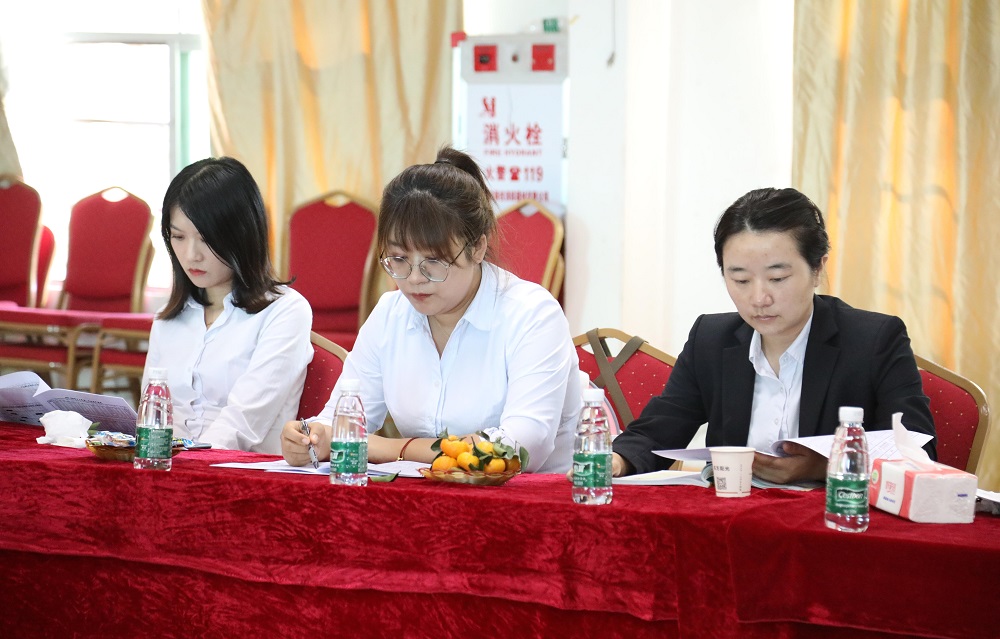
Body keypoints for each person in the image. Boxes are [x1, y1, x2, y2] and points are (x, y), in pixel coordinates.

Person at [281, 147, 579, 472]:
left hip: (540, 496)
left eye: (433, 262)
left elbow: (519, 449)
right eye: (398, 259)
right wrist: (314, 437)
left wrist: (391, 448)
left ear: (478, 248)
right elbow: (341, 422)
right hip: (428, 494)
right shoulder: (391, 314)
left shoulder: (532, 314)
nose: (413, 279)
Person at [611, 187, 936, 484]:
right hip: (732, 513)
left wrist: (824, 467)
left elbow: (919, 454)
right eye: (740, 280)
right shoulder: (710, 339)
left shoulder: (874, 340)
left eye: (778, 278)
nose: (759, 298)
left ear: (818, 269)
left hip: (831, 519)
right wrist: (617, 461)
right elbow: (661, 427)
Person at [143, 156, 313, 454]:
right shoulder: (167, 318)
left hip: (241, 470)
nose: (191, 255)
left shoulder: (285, 311)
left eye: (206, 239)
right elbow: (151, 413)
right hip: (169, 467)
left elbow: (243, 423)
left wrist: (186, 464)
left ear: (242, 235)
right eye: (178, 237)